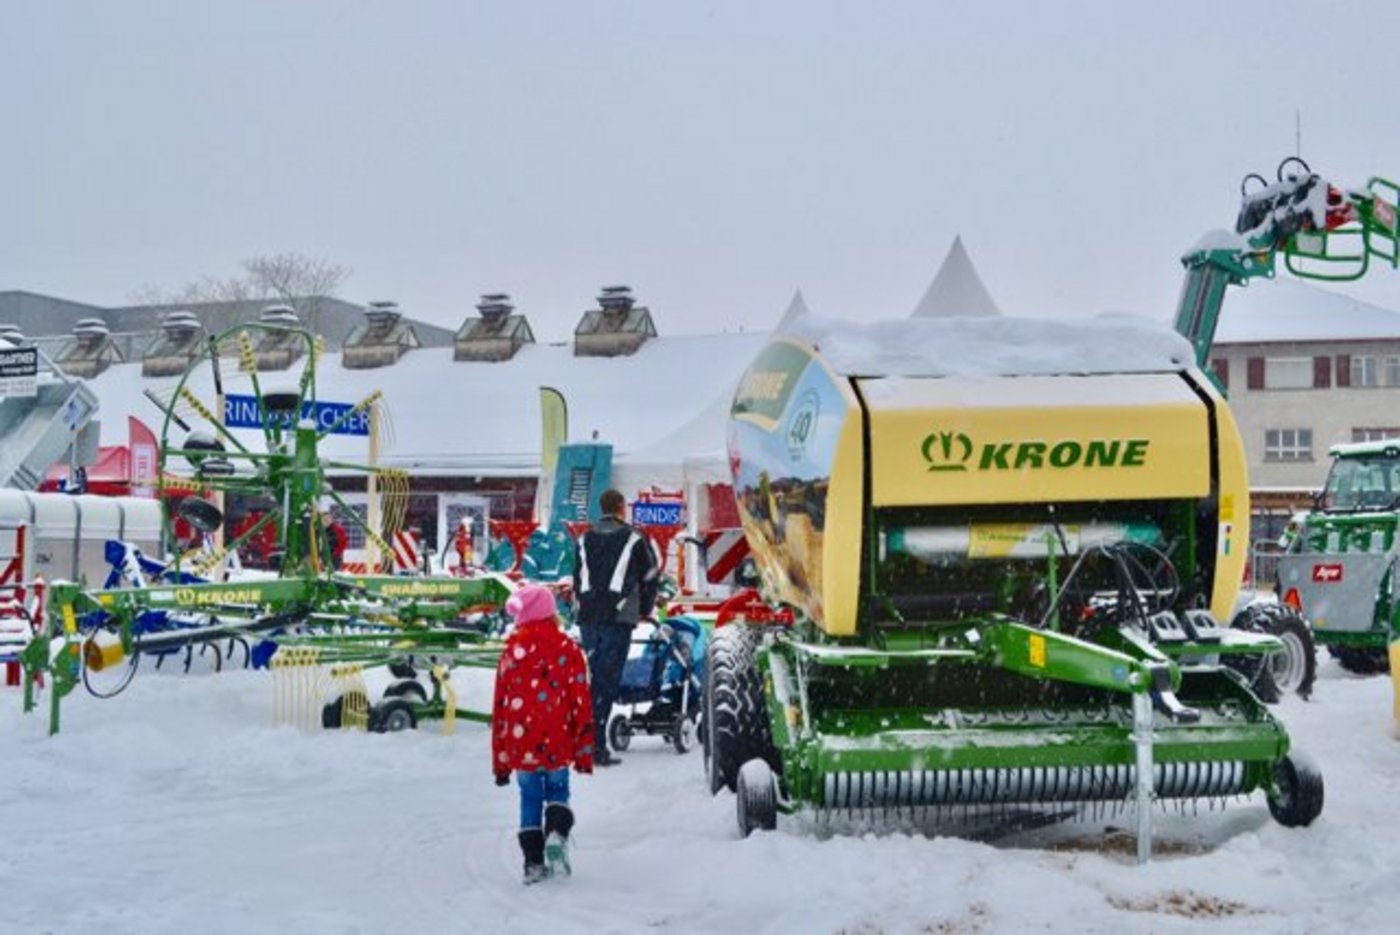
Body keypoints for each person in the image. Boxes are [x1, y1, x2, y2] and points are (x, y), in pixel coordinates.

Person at [492, 584, 594, 884]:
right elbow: (581, 701)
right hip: (557, 738)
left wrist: (500, 762)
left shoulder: (512, 652)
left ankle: (533, 863)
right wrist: (585, 750)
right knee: (558, 790)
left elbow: (500, 706)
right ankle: (557, 833)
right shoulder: (567, 649)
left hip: (522, 742)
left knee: (529, 797)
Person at [572, 489, 660, 766]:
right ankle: (595, 747)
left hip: (588, 617)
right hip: (618, 616)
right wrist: (644, 609)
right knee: (606, 681)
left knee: (593, 677)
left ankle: (585, 741)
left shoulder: (584, 538)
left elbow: (577, 577)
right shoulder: (634, 537)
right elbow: (650, 575)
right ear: (621, 508)